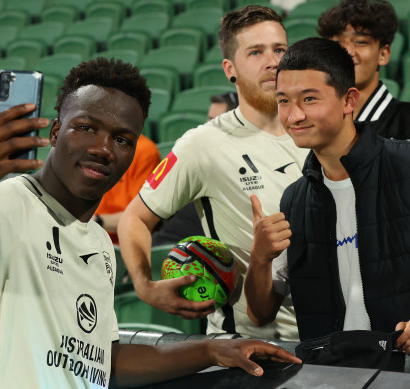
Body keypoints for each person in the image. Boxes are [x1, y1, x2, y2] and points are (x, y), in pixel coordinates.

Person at [0, 58, 301, 388]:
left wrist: (212, 349)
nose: (103, 149)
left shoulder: (102, 244)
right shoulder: (11, 203)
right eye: (86, 127)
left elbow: (103, 361)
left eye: (121, 139)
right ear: (55, 133)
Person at [245, 37, 410, 358]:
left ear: (348, 101)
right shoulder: (294, 199)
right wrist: (259, 258)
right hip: (334, 374)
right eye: (283, 101)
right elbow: (260, 314)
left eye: (309, 99)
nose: (294, 116)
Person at [118, 5, 309, 340]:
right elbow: (134, 218)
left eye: (280, 49)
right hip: (249, 343)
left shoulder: (318, 130)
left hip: (333, 336)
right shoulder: (203, 144)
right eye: (256, 52)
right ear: (229, 69)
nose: (273, 61)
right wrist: (145, 287)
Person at [317, 0, 410, 172]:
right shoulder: (318, 121)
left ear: (383, 54)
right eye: (337, 44)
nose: (347, 51)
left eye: (360, 42)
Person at [151, 92, 240, 246]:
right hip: (171, 244)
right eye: (208, 119)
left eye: (215, 121)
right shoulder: (192, 157)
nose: (206, 127)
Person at [93, 134, 160, 244]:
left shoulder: (145, 150)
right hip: (89, 238)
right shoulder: (88, 145)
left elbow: (141, 217)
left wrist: (96, 221)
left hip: (123, 245)